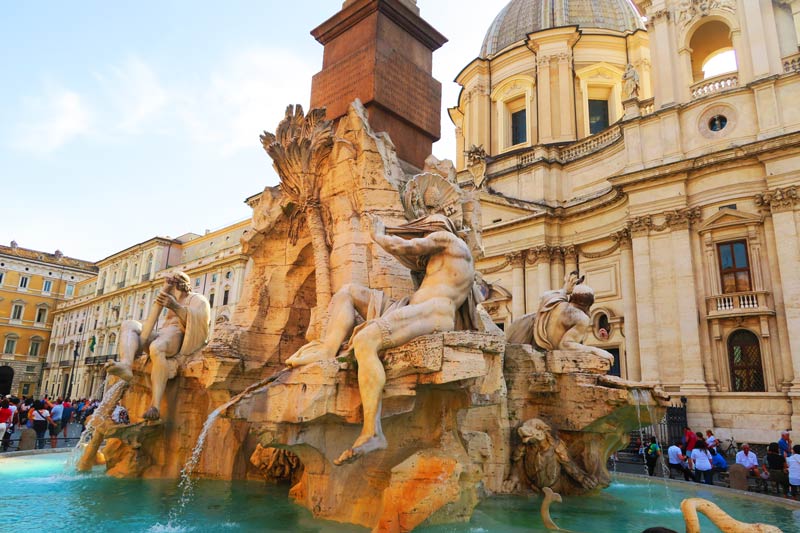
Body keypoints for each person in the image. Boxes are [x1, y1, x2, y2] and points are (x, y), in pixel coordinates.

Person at [284, 213, 484, 465]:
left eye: (422, 232)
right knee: (348, 292)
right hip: (409, 308)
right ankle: (327, 349)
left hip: (435, 311)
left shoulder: (450, 240)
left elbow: (407, 247)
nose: (424, 237)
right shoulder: (441, 261)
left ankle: (372, 431)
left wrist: (378, 235)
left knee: (366, 339)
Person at [106, 271, 210, 420]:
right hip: (163, 332)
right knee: (129, 324)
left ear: (179, 285)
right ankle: (126, 365)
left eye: (170, 284)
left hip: (178, 335)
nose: (168, 288)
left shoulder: (196, 299)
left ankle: (155, 405)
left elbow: (202, 320)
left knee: (156, 347)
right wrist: (164, 298)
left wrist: (176, 307)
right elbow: (150, 323)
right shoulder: (168, 298)